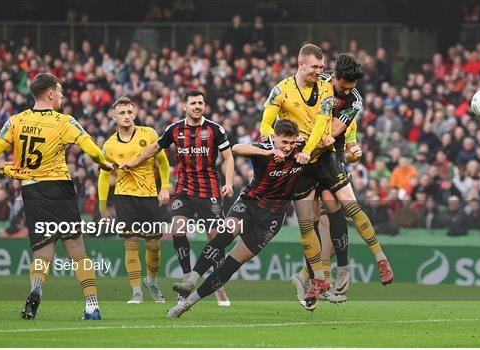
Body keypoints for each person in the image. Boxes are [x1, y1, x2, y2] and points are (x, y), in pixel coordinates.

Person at [0, 73, 114, 320]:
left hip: (31, 192)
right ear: (50, 93)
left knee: (42, 254)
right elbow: (90, 148)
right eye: (59, 91)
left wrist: (3, 167)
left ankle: (36, 287)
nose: (61, 95)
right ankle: (92, 306)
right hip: (59, 189)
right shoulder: (64, 121)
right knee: (77, 251)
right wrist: (104, 164)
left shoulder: (15, 121)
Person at [167, 119, 302, 318]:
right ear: (274, 138)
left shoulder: (301, 151)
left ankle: (187, 303)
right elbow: (237, 147)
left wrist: (307, 153)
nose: (288, 147)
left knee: (229, 265)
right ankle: (190, 281)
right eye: (284, 142)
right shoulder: (264, 149)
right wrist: (267, 152)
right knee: (222, 237)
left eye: (292, 143)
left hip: (271, 220)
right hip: (249, 204)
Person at [291, 54, 394, 307]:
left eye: (352, 87)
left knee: (343, 207)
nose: (348, 91)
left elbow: (335, 133)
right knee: (314, 220)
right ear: (334, 77)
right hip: (304, 152)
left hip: (329, 154)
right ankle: (317, 278)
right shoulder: (319, 83)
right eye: (344, 86)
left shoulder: (354, 101)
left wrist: (352, 153)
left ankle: (376, 260)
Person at [121, 90, 234, 306]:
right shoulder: (175, 129)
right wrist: (135, 162)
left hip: (209, 191)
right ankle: (186, 279)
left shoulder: (214, 129)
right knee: (178, 230)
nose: (197, 106)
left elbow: (228, 157)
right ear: (184, 107)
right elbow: (155, 147)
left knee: (215, 239)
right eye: (193, 103)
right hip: (184, 189)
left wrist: (228, 183)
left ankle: (219, 286)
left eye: (201, 102)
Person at [259, 44, 335, 309]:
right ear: (300, 64)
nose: (319, 71)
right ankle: (317, 282)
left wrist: (312, 148)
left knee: (335, 224)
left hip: (321, 157)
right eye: (315, 66)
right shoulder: (281, 91)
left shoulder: (326, 88)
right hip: (297, 164)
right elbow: (265, 125)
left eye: (322, 67)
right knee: (309, 223)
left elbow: (323, 123)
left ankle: (306, 277)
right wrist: (277, 144)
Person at [98, 97, 170, 304]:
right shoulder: (109, 145)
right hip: (124, 197)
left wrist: (164, 187)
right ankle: (136, 292)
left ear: (135, 114)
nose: (126, 116)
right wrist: (103, 205)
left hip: (148, 196)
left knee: (154, 246)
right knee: (130, 244)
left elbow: (163, 162)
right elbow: (104, 174)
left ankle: (152, 281)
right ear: (114, 116)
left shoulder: (149, 134)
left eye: (129, 112)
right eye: (122, 113)